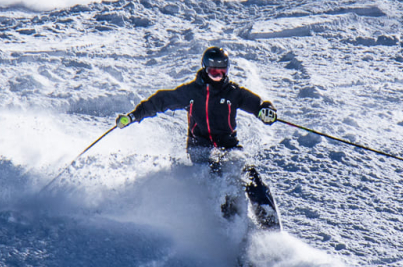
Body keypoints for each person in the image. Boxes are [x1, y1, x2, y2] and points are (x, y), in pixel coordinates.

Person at [116, 46, 282, 231]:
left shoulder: (233, 92)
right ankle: (234, 232)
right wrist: (133, 116)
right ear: (204, 68)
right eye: (213, 71)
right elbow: (160, 101)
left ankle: (270, 228)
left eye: (222, 71)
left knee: (252, 178)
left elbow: (257, 104)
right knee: (222, 181)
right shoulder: (191, 93)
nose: (218, 75)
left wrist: (266, 111)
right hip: (200, 147)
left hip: (229, 146)